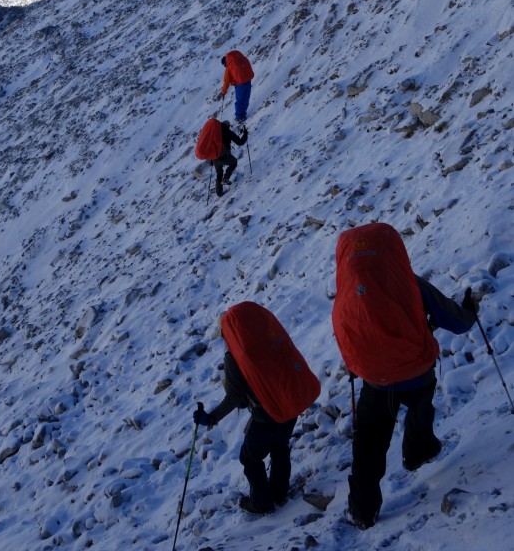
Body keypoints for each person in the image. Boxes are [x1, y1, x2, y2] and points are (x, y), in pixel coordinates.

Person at [332, 222, 477, 530]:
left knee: (368, 445)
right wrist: (470, 308)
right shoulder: (409, 284)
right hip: (416, 370)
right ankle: (418, 452)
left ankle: (362, 511)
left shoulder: (347, 291)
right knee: (421, 408)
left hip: (375, 381)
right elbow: (457, 322)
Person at [193, 301, 320, 515]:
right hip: (288, 407)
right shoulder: (268, 341)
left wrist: (211, 418)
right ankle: (279, 493)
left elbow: (234, 397)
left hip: (265, 415)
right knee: (280, 446)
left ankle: (262, 503)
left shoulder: (235, 357)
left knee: (249, 458)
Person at [219, 50, 254, 128]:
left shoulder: (229, 67)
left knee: (239, 101)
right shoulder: (239, 60)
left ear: (225, 63)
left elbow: (226, 81)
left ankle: (238, 117)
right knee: (246, 100)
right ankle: (243, 115)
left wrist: (223, 92)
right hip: (248, 81)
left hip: (240, 85)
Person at [213, 120, 247, 196]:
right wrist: (245, 134)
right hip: (224, 156)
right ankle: (226, 178)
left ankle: (219, 193)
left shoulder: (215, 132)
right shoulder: (228, 132)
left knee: (219, 173)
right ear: (228, 126)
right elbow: (240, 142)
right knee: (234, 162)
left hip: (214, 158)